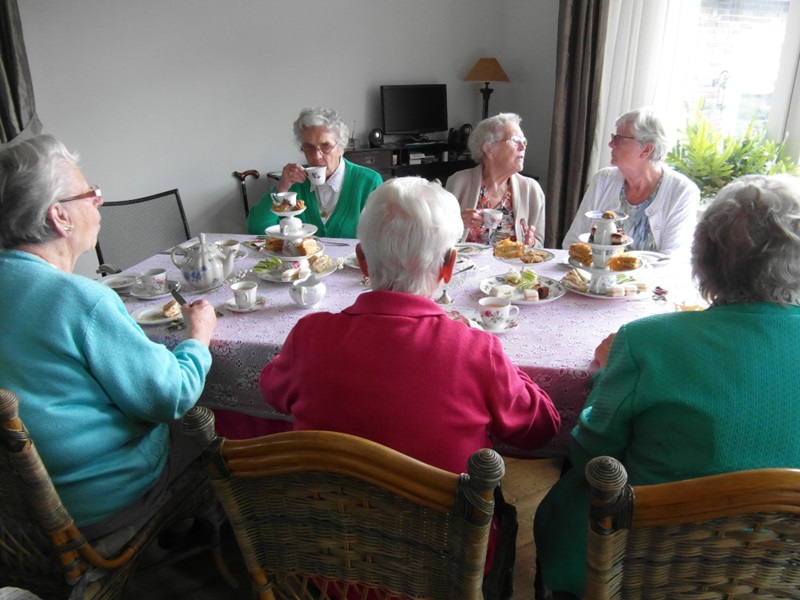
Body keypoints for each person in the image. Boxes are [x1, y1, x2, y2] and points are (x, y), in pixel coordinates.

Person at [536, 174, 800, 598]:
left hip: (641, 564)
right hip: (779, 570)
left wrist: (608, 373)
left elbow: (591, 452)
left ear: (704, 257)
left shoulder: (647, 342)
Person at [258, 176, 560, 476]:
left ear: (362, 260)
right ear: (449, 265)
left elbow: (273, 394)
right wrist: (493, 354)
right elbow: (539, 430)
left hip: (323, 519)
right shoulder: (477, 350)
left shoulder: (309, 335)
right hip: (444, 522)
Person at [0, 135, 218, 540]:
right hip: (92, 505)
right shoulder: (81, 300)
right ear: (59, 217)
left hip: (13, 517)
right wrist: (198, 337)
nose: (99, 201)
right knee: (212, 425)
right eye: (90, 193)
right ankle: (214, 535)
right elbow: (169, 395)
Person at [561, 107, 700, 255]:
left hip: (650, 278)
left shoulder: (682, 191)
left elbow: (672, 259)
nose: (611, 144)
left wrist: (621, 268)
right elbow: (572, 242)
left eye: (619, 139)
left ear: (646, 149)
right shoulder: (603, 179)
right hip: (591, 276)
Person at [246, 107, 383, 238]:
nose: (317, 156)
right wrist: (281, 188)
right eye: (309, 148)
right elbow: (256, 229)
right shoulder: (295, 182)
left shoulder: (369, 182)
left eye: (326, 146)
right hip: (300, 262)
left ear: (341, 147)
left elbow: (379, 239)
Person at [446, 113, 545, 247]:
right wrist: (458, 225)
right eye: (515, 140)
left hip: (512, 267)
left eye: (524, 141)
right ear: (489, 149)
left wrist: (531, 242)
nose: (523, 146)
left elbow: (539, 245)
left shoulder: (531, 190)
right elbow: (437, 239)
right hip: (467, 266)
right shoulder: (459, 183)